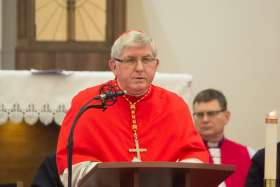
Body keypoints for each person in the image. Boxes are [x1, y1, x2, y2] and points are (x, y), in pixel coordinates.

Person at [56, 30, 209, 186]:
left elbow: (194, 153)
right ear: (114, 66)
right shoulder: (88, 103)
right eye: (130, 60)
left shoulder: (175, 106)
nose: (140, 68)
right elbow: (70, 161)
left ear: (156, 64)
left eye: (147, 59)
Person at [192, 88, 255, 187]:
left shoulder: (249, 154)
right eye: (200, 114)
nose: (205, 120)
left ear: (226, 116)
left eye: (211, 113)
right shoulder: (187, 156)